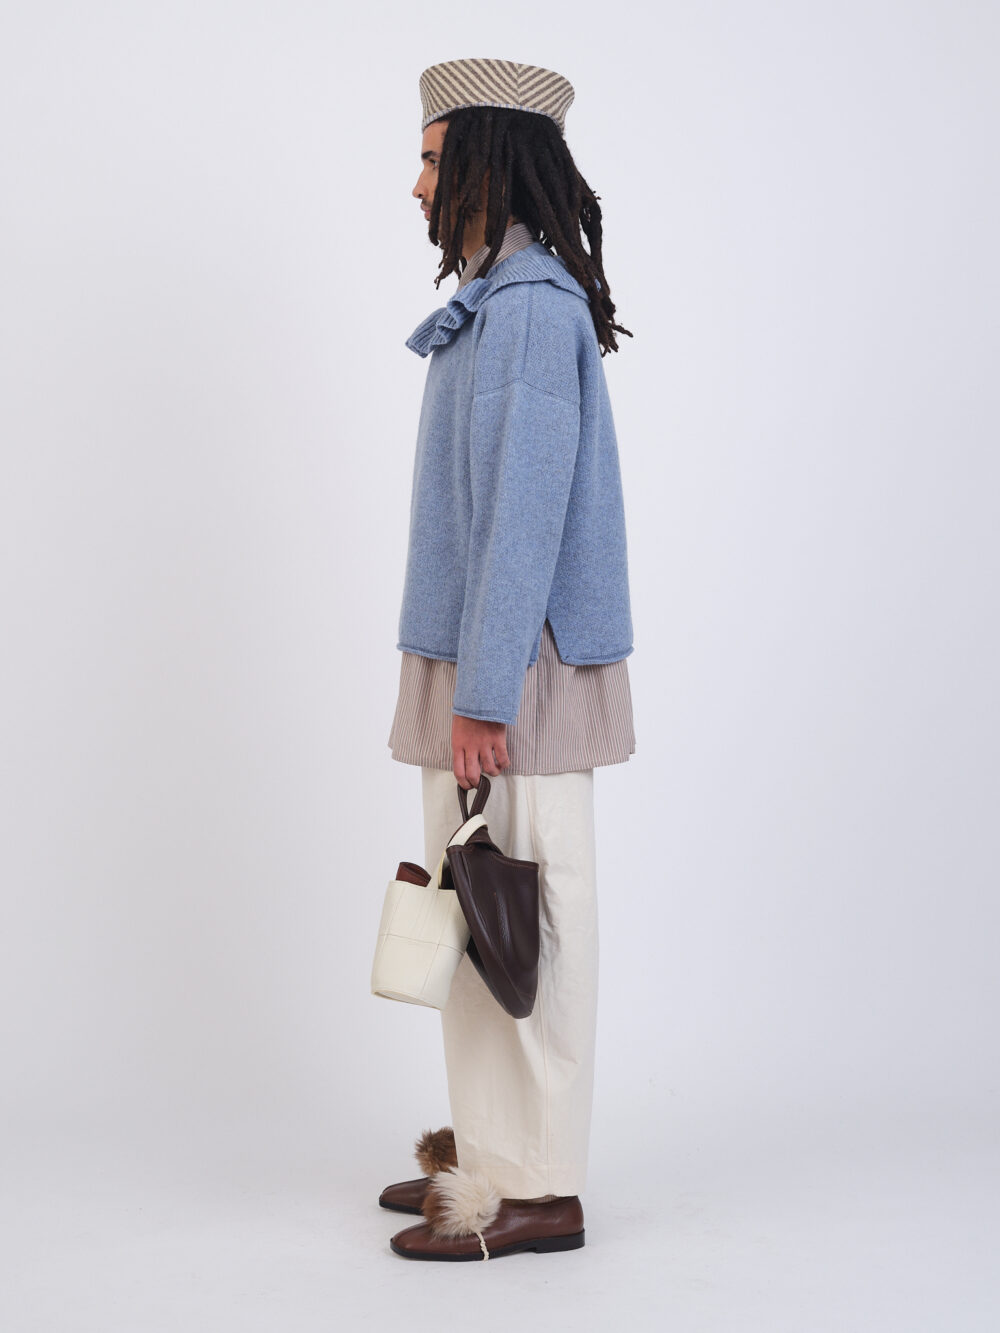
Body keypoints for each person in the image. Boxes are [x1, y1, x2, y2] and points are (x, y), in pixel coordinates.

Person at [381, 57, 636, 1262]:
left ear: (486, 160)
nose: (416, 183)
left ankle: (541, 1186)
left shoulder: (529, 311)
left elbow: (522, 524)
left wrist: (485, 695)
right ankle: (486, 1149)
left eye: (432, 159)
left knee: (534, 913)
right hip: (478, 662)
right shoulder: (490, 303)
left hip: (517, 670)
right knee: (480, 909)